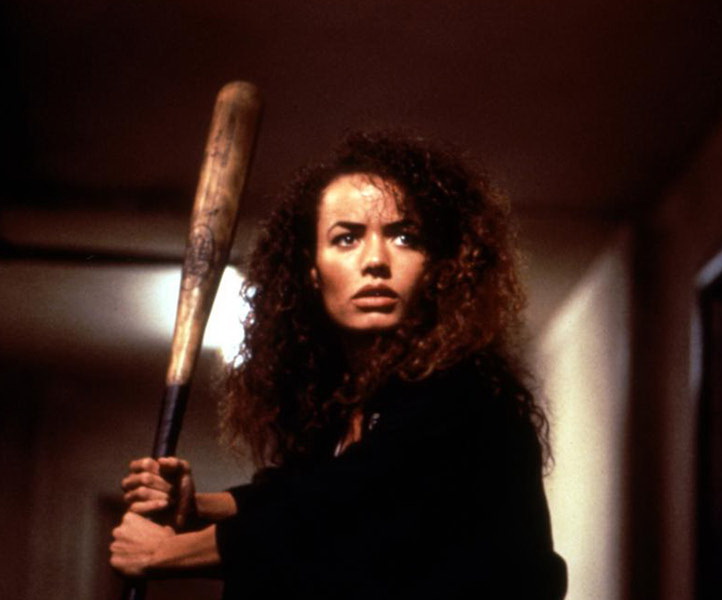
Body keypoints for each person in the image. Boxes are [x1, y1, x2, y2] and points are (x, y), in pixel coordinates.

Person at [110, 131, 567, 599]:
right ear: (312, 272)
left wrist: (166, 553)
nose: (375, 261)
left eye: (405, 237)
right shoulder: (350, 408)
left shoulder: (464, 396)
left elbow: (339, 513)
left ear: (440, 266)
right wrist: (200, 506)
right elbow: (308, 489)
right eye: (346, 238)